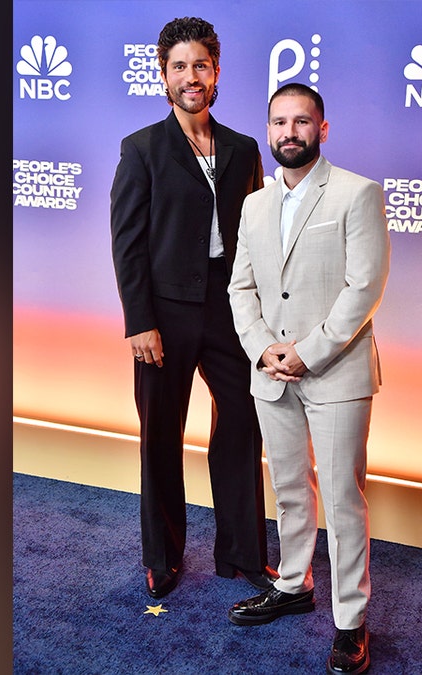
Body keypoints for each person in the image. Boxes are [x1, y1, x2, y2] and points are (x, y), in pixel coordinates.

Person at [109, 16, 276, 600]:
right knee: (161, 434)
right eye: (178, 66)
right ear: (163, 76)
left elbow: (255, 237)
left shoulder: (243, 149)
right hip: (164, 314)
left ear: (216, 72)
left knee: (243, 423)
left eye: (200, 65)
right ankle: (162, 557)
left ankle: (243, 553)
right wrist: (139, 321)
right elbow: (127, 242)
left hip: (229, 309)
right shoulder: (142, 150)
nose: (190, 76)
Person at [226, 83, 390, 675]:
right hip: (271, 373)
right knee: (291, 490)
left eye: (301, 122)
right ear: (268, 130)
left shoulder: (356, 193)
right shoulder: (253, 205)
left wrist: (308, 352)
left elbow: (364, 288)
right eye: (278, 122)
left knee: (344, 499)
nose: (288, 132)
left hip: (336, 372)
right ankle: (293, 584)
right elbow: (240, 287)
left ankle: (351, 621)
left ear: (322, 129)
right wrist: (265, 349)